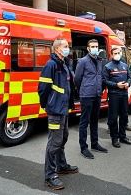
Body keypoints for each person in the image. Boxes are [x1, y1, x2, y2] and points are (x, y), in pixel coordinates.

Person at [38, 38, 78, 190]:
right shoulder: (51, 65)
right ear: (57, 49)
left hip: (63, 109)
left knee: (63, 137)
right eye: (66, 46)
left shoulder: (64, 64)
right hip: (55, 110)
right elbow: (43, 88)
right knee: (54, 142)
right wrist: (47, 105)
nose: (68, 49)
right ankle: (50, 175)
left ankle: (61, 166)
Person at [74, 39, 109, 159]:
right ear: (88, 48)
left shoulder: (100, 61)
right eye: (92, 46)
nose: (95, 48)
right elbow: (77, 79)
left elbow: (101, 76)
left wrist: (101, 88)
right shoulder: (82, 61)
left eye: (96, 46)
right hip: (87, 95)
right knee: (84, 122)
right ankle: (84, 147)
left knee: (94, 120)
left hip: (97, 95)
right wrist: (83, 89)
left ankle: (95, 144)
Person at [103, 46, 131, 148]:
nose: (117, 55)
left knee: (124, 116)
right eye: (115, 53)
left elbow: (129, 77)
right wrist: (116, 85)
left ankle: (123, 136)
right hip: (114, 95)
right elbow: (105, 81)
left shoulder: (125, 65)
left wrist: (128, 83)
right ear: (111, 54)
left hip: (124, 94)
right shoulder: (108, 67)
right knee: (113, 118)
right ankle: (114, 138)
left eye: (119, 53)